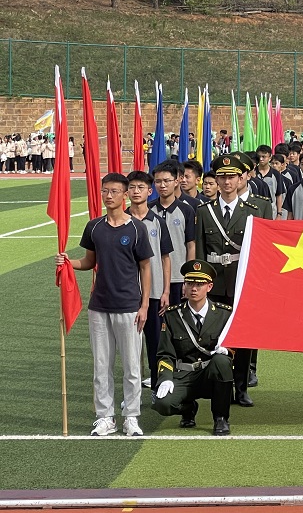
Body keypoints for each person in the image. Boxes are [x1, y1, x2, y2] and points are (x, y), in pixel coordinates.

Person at [55, 173, 153, 436]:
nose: (108, 196)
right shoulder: (94, 227)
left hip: (129, 306)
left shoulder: (136, 229)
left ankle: (131, 416)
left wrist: (144, 305)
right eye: (105, 191)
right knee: (101, 366)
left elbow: (146, 267)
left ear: (124, 195)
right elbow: (89, 262)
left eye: (114, 192)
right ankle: (105, 416)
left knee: (132, 367)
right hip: (99, 306)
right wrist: (67, 262)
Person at [195, 154, 265, 407]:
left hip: (242, 281)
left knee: (243, 337)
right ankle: (216, 385)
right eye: (222, 177)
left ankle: (241, 387)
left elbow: (262, 250)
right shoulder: (204, 211)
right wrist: (201, 283)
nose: (226, 182)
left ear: (240, 179)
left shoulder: (256, 210)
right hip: (214, 283)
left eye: (231, 177)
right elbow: (201, 251)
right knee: (214, 336)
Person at [153, 260, 234, 436]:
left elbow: (237, 346)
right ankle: (188, 408)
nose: (194, 288)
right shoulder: (173, 315)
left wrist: (228, 351)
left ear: (209, 286)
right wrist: (166, 378)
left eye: (199, 284)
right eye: (189, 283)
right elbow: (165, 354)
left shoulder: (224, 314)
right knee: (162, 404)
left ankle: (220, 418)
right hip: (184, 375)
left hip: (210, 374)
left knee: (222, 361)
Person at [127, 170, 174, 392]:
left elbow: (166, 258)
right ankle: (132, 393)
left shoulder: (157, 222)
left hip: (154, 293)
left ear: (149, 190)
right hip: (126, 293)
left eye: (141, 187)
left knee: (155, 344)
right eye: (132, 187)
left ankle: (157, 388)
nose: (136, 191)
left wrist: (165, 290)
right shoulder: (120, 220)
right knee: (130, 348)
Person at [150, 161, 197, 307]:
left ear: (176, 181)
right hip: (152, 277)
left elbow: (191, 246)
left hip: (178, 277)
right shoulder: (147, 209)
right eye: (158, 181)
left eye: (166, 181)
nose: (162, 185)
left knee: (178, 323)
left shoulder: (186, 210)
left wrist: (188, 278)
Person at [255, 145, 286, 219]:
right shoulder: (253, 173)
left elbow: (279, 195)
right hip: (255, 210)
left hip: (272, 211)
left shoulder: (276, 174)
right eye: (259, 156)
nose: (261, 159)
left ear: (270, 157)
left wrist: (279, 214)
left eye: (264, 156)